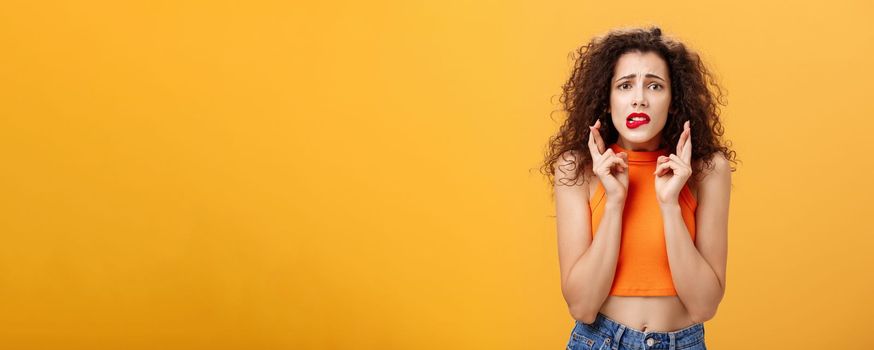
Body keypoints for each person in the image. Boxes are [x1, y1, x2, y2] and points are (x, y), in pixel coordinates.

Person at [540, 26, 738, 350]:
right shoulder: (577, 168)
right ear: (607, 99)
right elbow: (582, 305)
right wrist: (615, 203)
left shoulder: (706, 171)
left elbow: (704, 306)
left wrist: (671, 204)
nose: (639, 99)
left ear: (674, 101)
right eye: (625, 85)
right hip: (599, 342)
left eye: (655, 86)